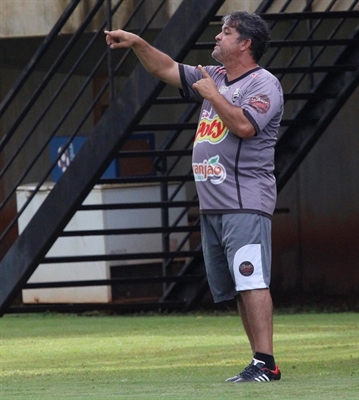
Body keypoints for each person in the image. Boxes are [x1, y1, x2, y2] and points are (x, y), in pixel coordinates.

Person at [105, 10, 284, 383]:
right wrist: (137, 43)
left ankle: (266, 362)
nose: (217, 37)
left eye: (226, 32)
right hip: (214, 205)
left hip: (244, 201)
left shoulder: (263, 83)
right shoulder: (213, 76)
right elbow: (166, 68)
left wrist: (212, 95)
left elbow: (244, 126)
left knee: (251, 279)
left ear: (245, 43)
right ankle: (258, 360)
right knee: (238, 286)